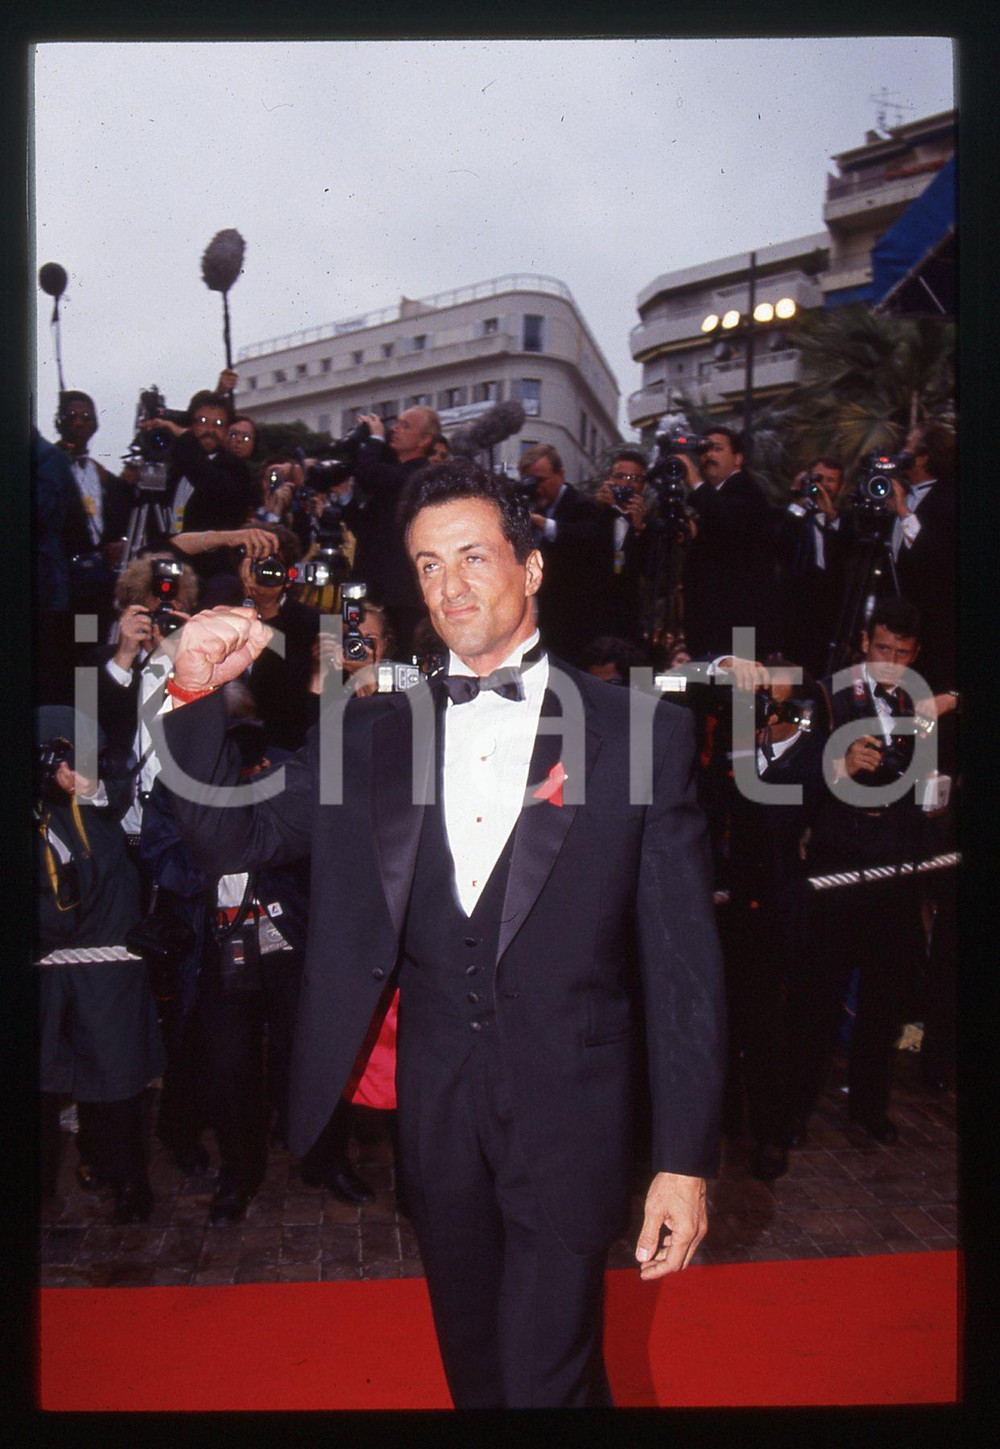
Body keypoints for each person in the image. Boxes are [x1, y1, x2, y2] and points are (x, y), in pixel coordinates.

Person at [155, 457, 726, 1409]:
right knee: (477, 1366)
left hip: (571, 1110)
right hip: (437, 1116)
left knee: (550, 1368)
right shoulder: (367, 733)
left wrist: (684, 1159)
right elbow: (233, 831)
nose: (449, 585)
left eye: (471, 556)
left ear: (530, 566)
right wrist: (190, 696)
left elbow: (682, 971)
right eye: (427, 565)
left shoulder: (637, 734)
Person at [788, 596, 932, 1147]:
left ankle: (869, 1107)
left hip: (894, 871)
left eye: (902, 653)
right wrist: (837, 767)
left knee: (884, 999)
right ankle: (793, 1112)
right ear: (864, 644)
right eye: (881, 649)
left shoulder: (920, 706)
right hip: (836, 868)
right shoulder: (826, 695)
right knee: (815, 1000)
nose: (889, 661)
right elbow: (786, 780)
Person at [35, 705, 166, 1221]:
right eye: (63, 760)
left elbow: (127, 789)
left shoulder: (105, 807)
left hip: (108, 973)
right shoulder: (39, 820)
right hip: (49, 974)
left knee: (114, 1086)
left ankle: (128, 1179)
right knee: (42, 1089)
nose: (75, 770)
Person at [676, 427, 778, 660]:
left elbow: (728, 520)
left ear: (738, 459)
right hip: (712, 627)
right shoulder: (714, 498)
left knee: (738, 693)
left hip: (738, 628)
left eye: (718, 449)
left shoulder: (746, 491)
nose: (709, 455)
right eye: (703, 450)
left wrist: (695, 481)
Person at [347, 406, 440, 653]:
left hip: (401, 597)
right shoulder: (392, 473)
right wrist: (344, 498)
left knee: (400, 663)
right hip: (372, 586)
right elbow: (366, 528)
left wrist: (375, 439)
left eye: (405, 426)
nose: (394, 429)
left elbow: (371, 475)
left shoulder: (420, 475)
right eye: (395, 423)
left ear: (424, 440)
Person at [518, 443, 603, 665]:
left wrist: (542, 523)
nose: (536, 488)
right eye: (529, 481)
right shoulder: (531, 506)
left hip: (573, 623)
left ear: (561, 474)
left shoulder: (582, 505)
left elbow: (585, 539)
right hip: (541, 621)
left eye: (541, 480)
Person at [775, 456, 853, 677]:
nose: (824, 485)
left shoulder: (845, 520)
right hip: (794, 614)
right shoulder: (790, 514)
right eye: (819, 478)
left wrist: (830, 514)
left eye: (831, 480)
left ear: (841, 486)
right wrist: (798, 501)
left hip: (830, 617)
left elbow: (848, 552)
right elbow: (781, 546)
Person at [592, 449, 651, 643]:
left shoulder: (650, 524)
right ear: (609, 481)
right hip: (594, 617)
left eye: (634, 478)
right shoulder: (593, 514)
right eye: (620, 477)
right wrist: (602, 511)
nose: (626, 484)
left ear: (643, 486)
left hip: (630, 621)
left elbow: (652, 572)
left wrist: (639, 529)